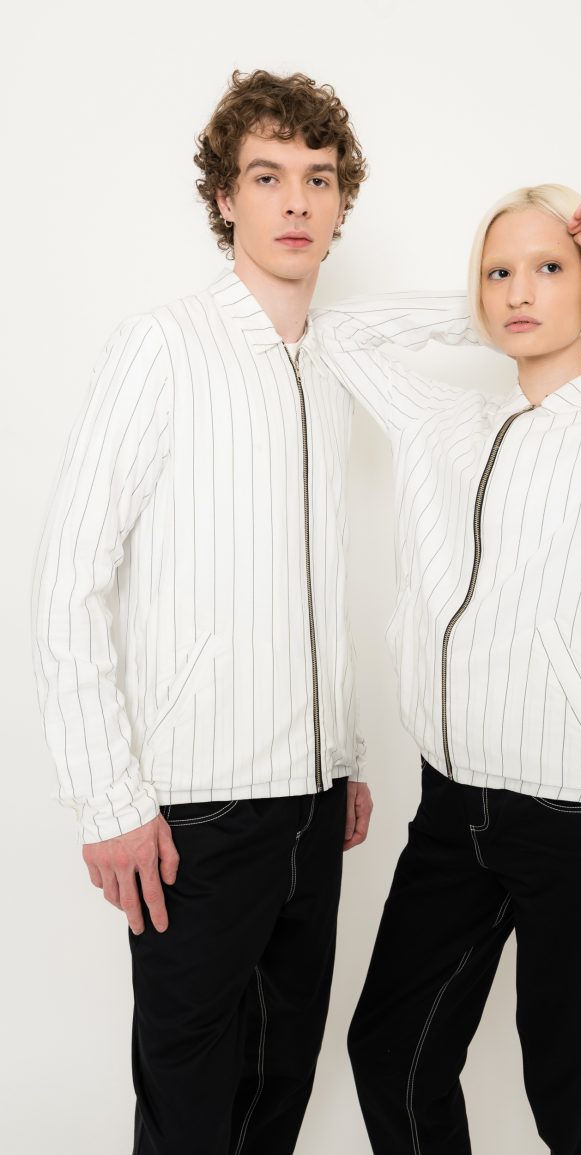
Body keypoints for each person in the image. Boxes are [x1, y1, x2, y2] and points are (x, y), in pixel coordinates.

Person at [313, 185, 581, 1153]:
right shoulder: (443, 424)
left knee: (575, 1103)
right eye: (498, 272)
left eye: (549, 268)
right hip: (454, 811)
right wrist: (476, 311)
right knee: (393, 1053)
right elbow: (340, 334)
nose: (519, 291)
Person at [30, 69, 374, 1155]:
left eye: (318, 178)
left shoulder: (333, 367)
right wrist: (107, 797)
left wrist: (342, 752)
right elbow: (69, 574)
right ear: (225, 198)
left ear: (341, 201)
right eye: (267, 177)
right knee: (187, 1117)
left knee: (277, 1098)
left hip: (313, 807)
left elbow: (315, 572)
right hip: (197, 814)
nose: (297, 201)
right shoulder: (163, 345)